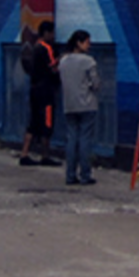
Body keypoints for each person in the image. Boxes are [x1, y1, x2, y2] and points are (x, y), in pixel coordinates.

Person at [58, 29, 100, 186]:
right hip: (87, 104)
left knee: (71, 139)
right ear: (79, 43)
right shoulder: (89, 61)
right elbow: (95, 84)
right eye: (87, 42)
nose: (89, 45)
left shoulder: (63, 61)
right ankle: (85, 174)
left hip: (69, 104)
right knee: (85, 140)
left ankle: (70, 175)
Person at [19, 20, 61, 167]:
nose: (54, 35)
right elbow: (53, 68)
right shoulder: (46, 48)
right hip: (46, 90)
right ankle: (45, 155)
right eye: (52, 33)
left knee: (33, 121)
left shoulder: (34, 48)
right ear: (47, 33)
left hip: (34, 88)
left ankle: (24, 153)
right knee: (47, 122)